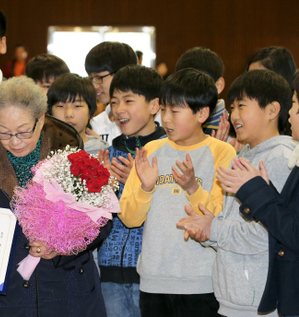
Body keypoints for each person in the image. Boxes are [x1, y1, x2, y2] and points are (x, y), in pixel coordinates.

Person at [0, 76, 110, 317]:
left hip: (67, 292)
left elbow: (102, 221)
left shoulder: (71, 157)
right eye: (4, 133)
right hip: (4, 299)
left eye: (24, 131)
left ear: (42, 119)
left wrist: (63, 248)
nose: (15, 142)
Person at [177, 69, 295, 317]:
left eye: (242, 105)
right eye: (232, 106)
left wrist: (215, 228)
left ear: (272, 110)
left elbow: (270, 234)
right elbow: (236, 227)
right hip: (233, 300)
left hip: (259, 303)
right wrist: (208, 230)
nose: (234, 115)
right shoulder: (243, 156)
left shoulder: (279, 158)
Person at [119, 68, 236, 317]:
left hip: (202, 282)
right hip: (154, 281)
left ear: (202, 113)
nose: (166, 119)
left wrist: (193, 188)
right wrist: (146, 188)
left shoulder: (222, 153)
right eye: (163, 110)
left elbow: (220, 218)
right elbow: (129, 218)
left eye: (175, 111)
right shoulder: (151, 150)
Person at [216, 61, 299, 316]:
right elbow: (290, 218)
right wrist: (264, 192)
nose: (290, 113)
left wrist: (257, 192)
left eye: (295, 104)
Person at [96, 64, 165, 317]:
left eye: (128, 100)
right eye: (114, 102)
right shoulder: (110, 153)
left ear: (154, 106)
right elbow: (98, 217)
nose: (119, 109)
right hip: (109, 270)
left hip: (151, 273)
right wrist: (103, 186)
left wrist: (140, 183)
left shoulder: (166, 152)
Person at [85, 41, 138, 143]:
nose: (94, 85)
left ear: (122, 73)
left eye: (99, 77)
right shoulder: (93, 125)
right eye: (91, 78)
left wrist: (102, 147)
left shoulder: (148, 123)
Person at [170, 47, 227, 136]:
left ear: (218, 85)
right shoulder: (170, 122)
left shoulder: (233, 129)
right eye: (185, 85)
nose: (192, 92)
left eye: (200, 84)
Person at [47, 73, 108, 154]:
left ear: (90, 111)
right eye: (61, 106)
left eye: (77, 106)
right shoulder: (42, 152)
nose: (69, 114)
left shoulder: (103, 152)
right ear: (50, 112)